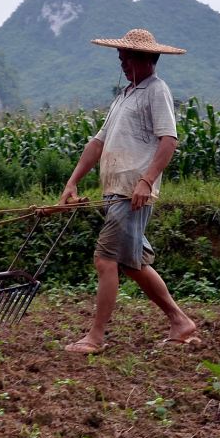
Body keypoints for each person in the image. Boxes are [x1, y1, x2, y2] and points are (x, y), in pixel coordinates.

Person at [57, 28, 198, 354]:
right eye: (120, 57)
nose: (121, 62)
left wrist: (147, 180)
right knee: (133, 264)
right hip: (116, 191)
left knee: (105, 260)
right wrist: (73, 180)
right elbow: (98, 142)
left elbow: (169, 140)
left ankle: (95, 337)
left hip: (132, 193)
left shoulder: (156, 91)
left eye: (127, 57)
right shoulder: (125, 95)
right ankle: (180, 322)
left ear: (146, 58)